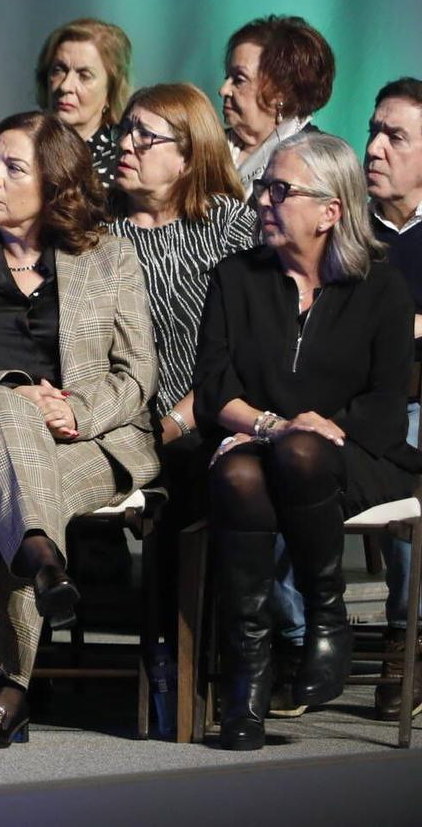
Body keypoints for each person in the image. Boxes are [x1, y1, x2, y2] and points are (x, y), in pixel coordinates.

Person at [0, 111, 157, 750]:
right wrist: (11, 390)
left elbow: (137, 378)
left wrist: (75, 411)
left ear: (55, 186)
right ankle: (43, 562)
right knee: (5, 412)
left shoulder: (110, 260)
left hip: (89, 442)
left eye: (12, 167)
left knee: (10, 500)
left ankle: (7, 686)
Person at [194, 131, 420, 750]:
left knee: (299, 456)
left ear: (330, 211)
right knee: (242, 474)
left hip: (358, 458)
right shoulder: (236, 277)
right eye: (262, 187)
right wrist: (270, 425)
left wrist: (315, 431)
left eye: (280, 189)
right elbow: (215, 388)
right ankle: (249, 677)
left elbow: (383, 407)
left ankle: (326, 611)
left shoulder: (381, 289)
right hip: (258, 447)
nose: (263, 200)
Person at [104, 83, 258, 661]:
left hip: (210, 411)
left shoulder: (229, 229)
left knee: (202, 468)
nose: (128, 143)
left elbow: (243, 348)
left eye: (147, 135)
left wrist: (176, 417)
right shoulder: (98, 232)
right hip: (120, 416)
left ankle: (203, 663)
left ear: (190, 154)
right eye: (126, 129)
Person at [0, 18, 131, 249]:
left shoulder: (122, 160)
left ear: (111, 89)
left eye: (84, 75)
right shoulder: (10, 143)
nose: (66, 86)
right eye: (59, 70)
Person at [366, 78, 422, 719]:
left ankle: (404, 640)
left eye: (395, 136)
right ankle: (296, 638)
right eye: (374, 131)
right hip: (347, 402)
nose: (375, 147)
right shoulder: (345, 225)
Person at [220, 15, 336, 191]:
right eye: (226, 77)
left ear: (281, 93)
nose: (223, 90)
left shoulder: (319, 163)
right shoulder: (204, 148)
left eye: (239, 79)